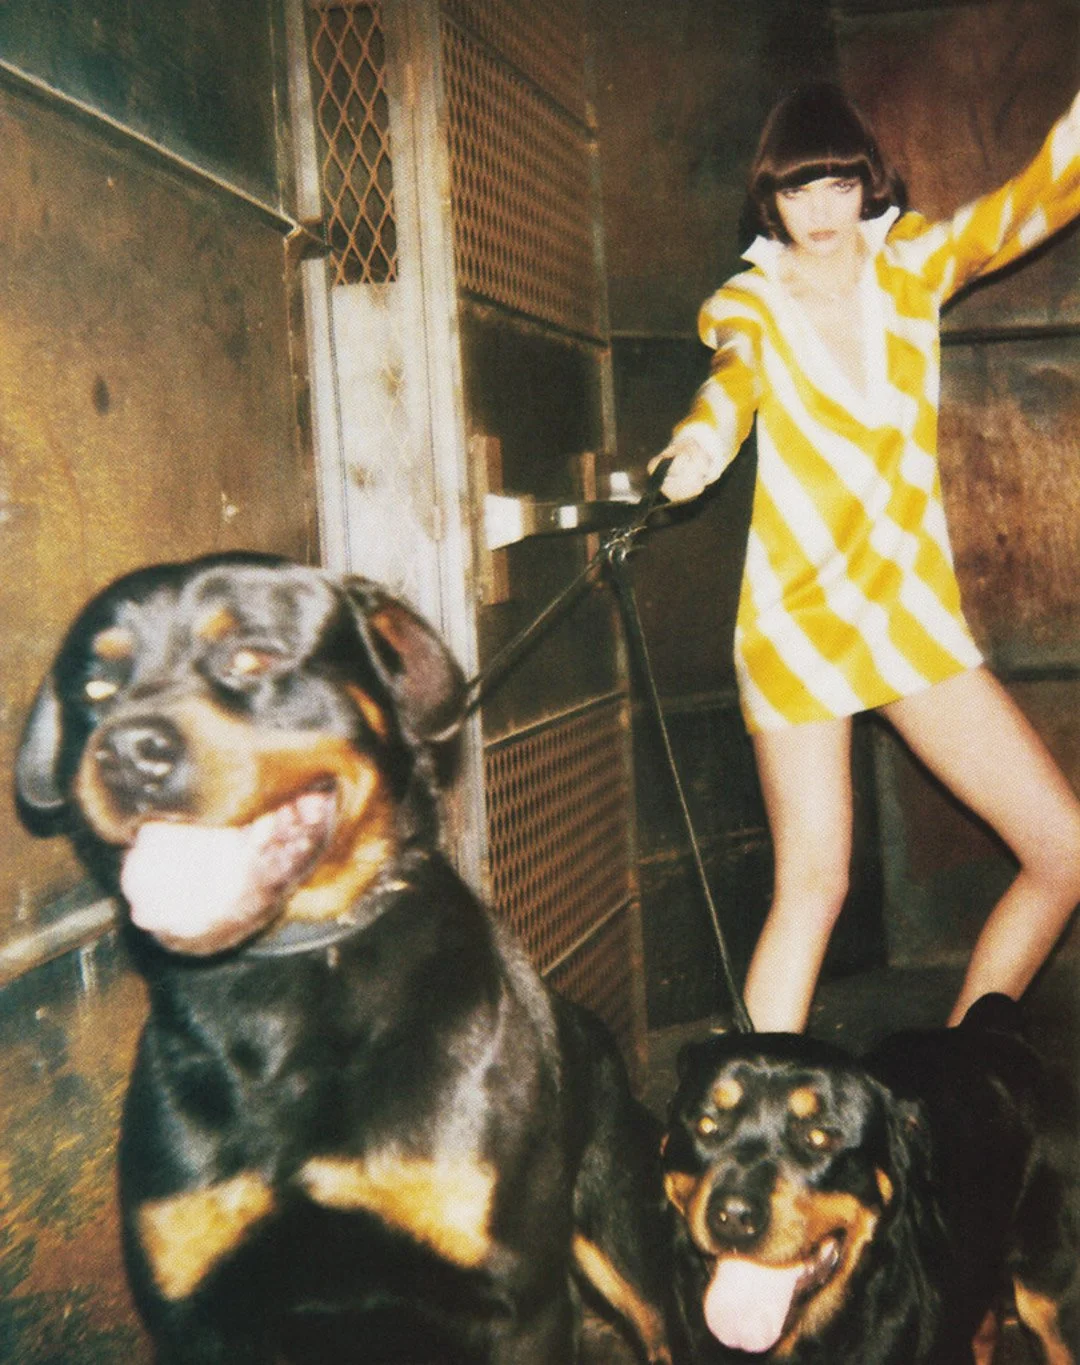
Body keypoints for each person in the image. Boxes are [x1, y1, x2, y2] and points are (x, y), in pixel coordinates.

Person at [650, 82, 1080, 1033]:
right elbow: (731, 382)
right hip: (798, 623)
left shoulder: (915, 265)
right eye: (798, 194)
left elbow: (1029, 202)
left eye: (838, 186)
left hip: (907, 615)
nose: (822, 213)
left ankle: (969, 1071)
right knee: (814, 883)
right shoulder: (750, 300)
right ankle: (745, 1137)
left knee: (1066, 849)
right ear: (771, 203)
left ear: (865, 185)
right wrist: (698, 450)